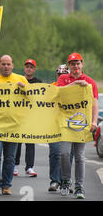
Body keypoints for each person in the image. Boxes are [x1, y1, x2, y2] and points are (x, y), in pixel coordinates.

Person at [56, 53, 99, 199]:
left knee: (80, 156)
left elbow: (94, 103)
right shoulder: (63, 79)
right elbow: (58, 94)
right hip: (65, 124)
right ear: (69, 66)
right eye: (72, 64)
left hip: (81, 124)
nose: (75, 66)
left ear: (82, 64)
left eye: (78, 63)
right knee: (64, 153)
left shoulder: (90, 82)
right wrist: (74, 84)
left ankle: (79, 186)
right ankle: (66, 180)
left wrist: (94, 121)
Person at [0, 54, 29, 195]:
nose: (6, 67)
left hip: (13, 126)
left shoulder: (21, 79)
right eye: (3, 64)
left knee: (10, 157)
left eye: (8, 64)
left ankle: (6, 185)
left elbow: (32, 98)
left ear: (13, 65)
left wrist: (25, 89)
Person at [14, 59, 41, 178]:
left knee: (30, 142)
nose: (29, 68)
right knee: (17, 142)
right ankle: (15, 165)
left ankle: (29, 167)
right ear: (24, 68)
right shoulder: (19, 80)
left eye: (31, 67)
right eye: (27, 66)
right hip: (19, 115)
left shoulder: (38, 82)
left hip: (31, 116)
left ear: (34, 69)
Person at [47, 64, 70, 192]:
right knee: (55, 153)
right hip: (54, 125)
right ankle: (55, 181)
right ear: (57, 75)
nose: (62, 76)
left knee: (67, 154)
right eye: (59, 74)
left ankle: (66, 181)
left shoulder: (73, 87)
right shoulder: (51, 87)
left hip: (68, 126)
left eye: (64, 74)